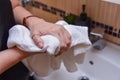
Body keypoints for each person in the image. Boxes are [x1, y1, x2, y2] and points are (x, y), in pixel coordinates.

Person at [0, 0, 71, 80]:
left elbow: (13, 5)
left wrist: (35, 22)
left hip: (19, 71)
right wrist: (25, 50)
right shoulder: (24, 50)